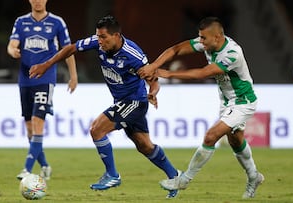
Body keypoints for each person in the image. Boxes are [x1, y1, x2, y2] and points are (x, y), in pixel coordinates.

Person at [29, 15, 180, 199]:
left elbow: (153, 79)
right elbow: (71, 48)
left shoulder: (133, 55)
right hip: (122, 103)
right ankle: (175, 176)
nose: (99, 41)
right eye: (98, 36)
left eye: (103, 38)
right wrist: (46, 65)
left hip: (135, 102)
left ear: (116, 36)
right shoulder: (97, 42)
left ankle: (112, 175)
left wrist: (153, 92)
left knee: (96, 129)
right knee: (145, 146)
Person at [138, 16, 264, 199]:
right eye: (200, 37)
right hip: (227, 100)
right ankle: (254, 177)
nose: (200, 41)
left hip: (243, 101)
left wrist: (167, 73)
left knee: (211, 136)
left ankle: (184, 180)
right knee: (235, 140)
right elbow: (176, 49)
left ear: (218, 36)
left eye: (204, 38)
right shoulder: (207, 43)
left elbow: (203, 73)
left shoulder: (232, 53)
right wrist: (154, 66)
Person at [7, 0, 78, 181]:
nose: (38, 1)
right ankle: (45, 166)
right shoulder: (21, 22)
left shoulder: (57, 22)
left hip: (45, 79)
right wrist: (12, 51)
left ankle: (26, 170)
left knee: (39, 123)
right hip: (25, 80)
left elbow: (68, 50)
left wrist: (73, 76)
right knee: (30, 129)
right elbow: (12, 43)